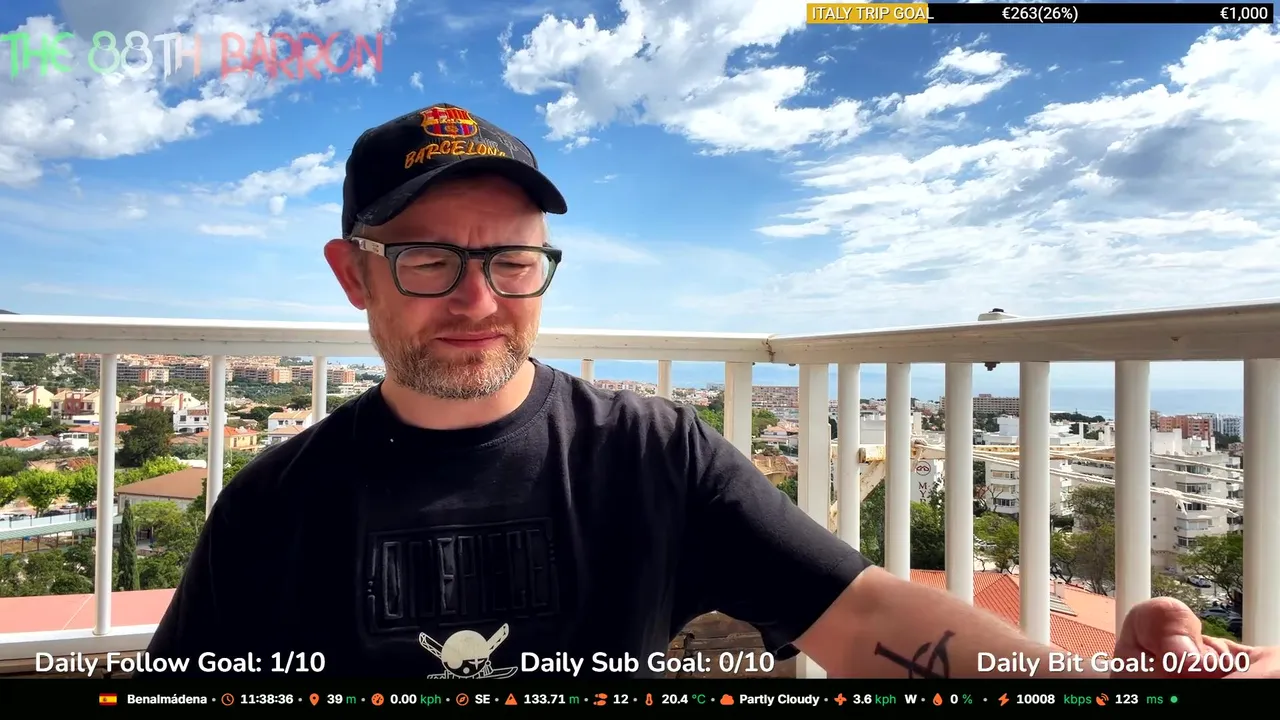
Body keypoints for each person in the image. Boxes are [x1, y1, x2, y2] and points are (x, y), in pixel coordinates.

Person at [141, 103, 1278, 679]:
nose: (480, 298)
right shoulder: (277, 506)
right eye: (430, 259)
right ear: (354, 274)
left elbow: (865, 615)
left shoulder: (645, 452)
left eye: (512, 260)